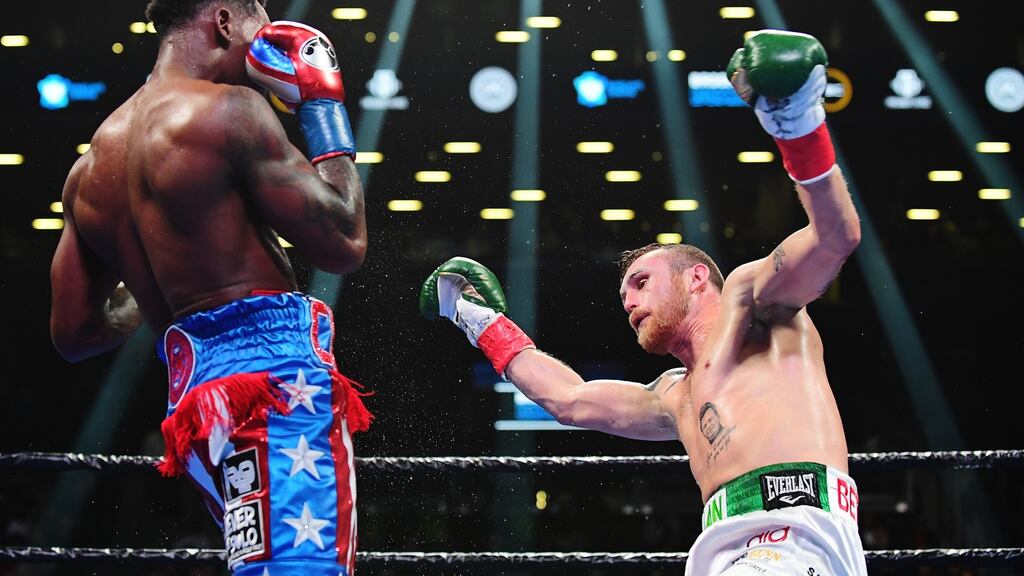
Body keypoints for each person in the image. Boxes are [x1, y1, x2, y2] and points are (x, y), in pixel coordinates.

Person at [420, 30, 866, 575]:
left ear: (697, 278)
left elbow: (833, 237)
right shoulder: (674, 397)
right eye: (624, 292)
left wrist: (798, 127)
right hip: (725, 549)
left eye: (640, 281)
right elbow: (570, 398)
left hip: (794, 534)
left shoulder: (757, 307)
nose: (628, 301)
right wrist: (478, 320)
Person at [48, 1, 372, 574]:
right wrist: (323, 109)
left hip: (198, 409)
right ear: (224, 22)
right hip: (274, 391)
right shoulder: (231, 111)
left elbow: (75, 331)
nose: (269, 41)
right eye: (259, 23)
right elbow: (343, 240)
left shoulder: (91, 167)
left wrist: (167, 293)